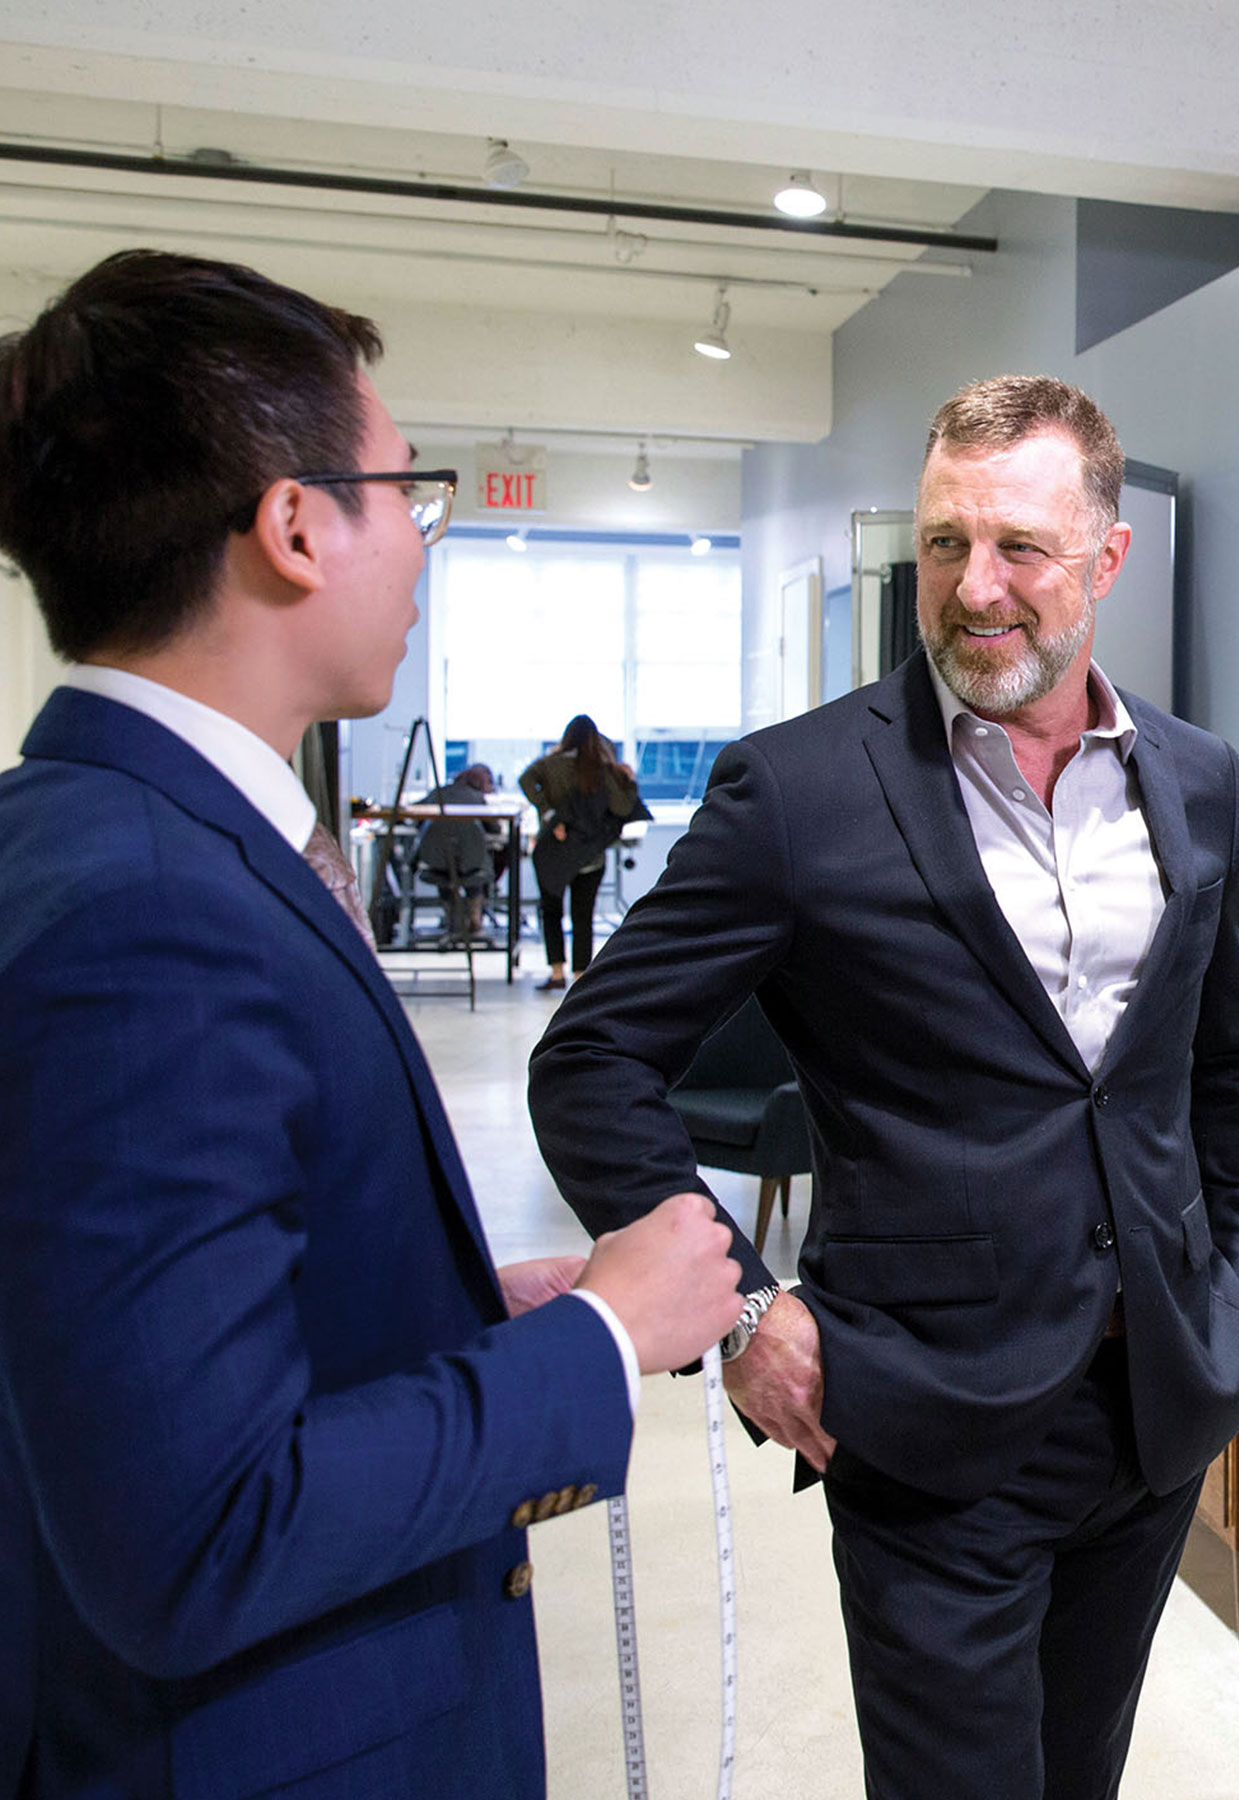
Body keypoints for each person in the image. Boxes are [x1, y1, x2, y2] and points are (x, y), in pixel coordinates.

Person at [0, 248, 746, 1800]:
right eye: (408, 490)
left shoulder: (99, 838)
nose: (420, 539)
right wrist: (609, 1342)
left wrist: (449, 1306)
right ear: (291, 524)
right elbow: (200, 1528)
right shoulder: (150, 913)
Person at [529, 375, 1239, 1800]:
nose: (973, 589)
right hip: (928, 1426)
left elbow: (1219, 1059)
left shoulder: (1197, 775)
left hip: (1155, 1406)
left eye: (1018, 549)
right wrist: (744, 1312)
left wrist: (1226, 1281)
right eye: (945, 544)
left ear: (1107, 559)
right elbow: (591, 1059)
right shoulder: (800, 792)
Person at [519, 715, 641, 990]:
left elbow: (525, 780)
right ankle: (580, 977)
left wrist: (548, 812)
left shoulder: (550, 764)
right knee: (583, 916)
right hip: (590, 855)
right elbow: (622, 809)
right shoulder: (602, 768)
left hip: (554, 853)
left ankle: (556, 972)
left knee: (551, 912)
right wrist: (628, 780)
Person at [415, 761, 507, 940]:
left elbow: (412, 813)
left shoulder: (438, 793)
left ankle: (452, 921)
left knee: (448, 864)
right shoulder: (476, 799)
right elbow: (495, 829)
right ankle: (475, 920)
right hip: (470, 864)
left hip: (435, 861)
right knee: (474, 861)